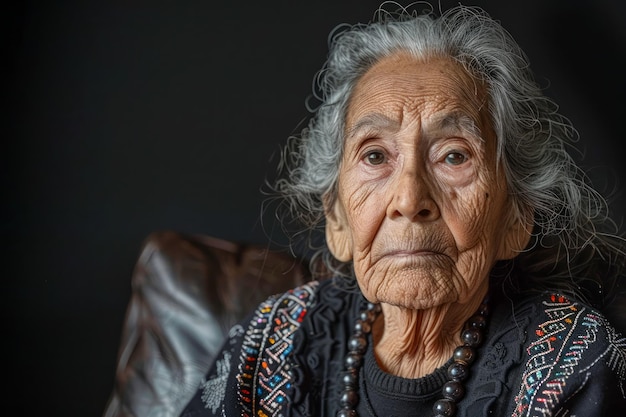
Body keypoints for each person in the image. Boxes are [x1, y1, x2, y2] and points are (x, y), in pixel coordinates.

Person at [180, 3, 626, 416]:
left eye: (454, 156)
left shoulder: (570, 362)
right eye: (375, 156)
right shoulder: (270, 346)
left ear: (516, 218)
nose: (410, 200)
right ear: (336, 218)